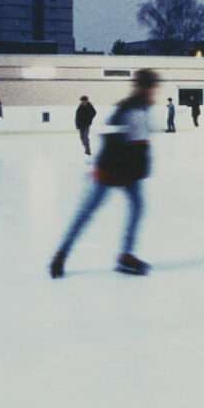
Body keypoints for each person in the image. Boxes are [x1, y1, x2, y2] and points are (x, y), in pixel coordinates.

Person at [50, 69, 160, 278]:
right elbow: (112, 136)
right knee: (88, 212)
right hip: (114, 169)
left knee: (135, 207)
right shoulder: (130, 108)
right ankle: (61, 255)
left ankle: (125, 255)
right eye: (152, 87)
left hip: (128, 171)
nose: (154, 91)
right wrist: (103, 167)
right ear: (146, 87)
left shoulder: (141, 107)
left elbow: (141, 142)